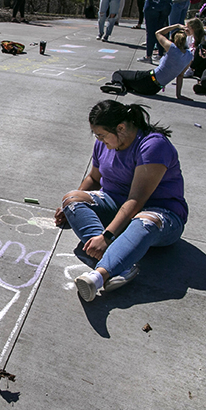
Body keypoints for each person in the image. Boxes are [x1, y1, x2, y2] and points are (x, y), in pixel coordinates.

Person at [54, 100, 188, 302]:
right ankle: (122, 261)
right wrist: (68, 208)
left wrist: (107, 236)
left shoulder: (153, 146)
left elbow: (136, 200)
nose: (99, 140)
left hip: (161, 212)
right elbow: (94, 179)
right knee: (71, 199)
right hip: (116, 203)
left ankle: (99, 276)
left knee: (144, 222)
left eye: (102, 135)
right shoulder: (103, 143)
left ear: (121, 128)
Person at [101, 24, 193, 99]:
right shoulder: (189, 56)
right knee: (128, 82)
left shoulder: (172, 48)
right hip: (154, 89)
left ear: (173, 40)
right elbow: (180, 76)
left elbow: (158, 33)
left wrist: (176, 26)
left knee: (118, 74)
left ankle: (118, 85)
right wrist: (179, 95)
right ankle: (122, 86)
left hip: (148, 78)